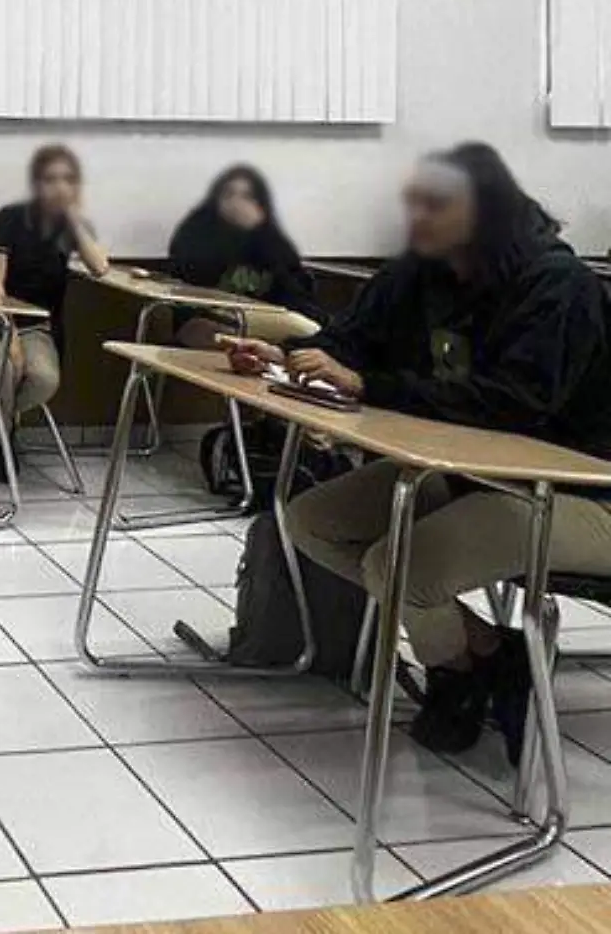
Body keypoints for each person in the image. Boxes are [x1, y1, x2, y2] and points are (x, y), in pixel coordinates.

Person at [223, 143, 611, 761]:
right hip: (475, 476)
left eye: (436, 205)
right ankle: (486, 653)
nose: (418, 219)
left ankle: (458, 676)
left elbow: (514, 405)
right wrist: (287, 360)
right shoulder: (421, 273)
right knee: (312, 522)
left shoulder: (558, 285)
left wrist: (369, 386)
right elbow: (350, 341)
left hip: (575, 491)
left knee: (403, 568)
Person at [0, 144, 111, 477]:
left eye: (68, 179)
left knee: (45, 380)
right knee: (6, 368)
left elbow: (100, 267)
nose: (59, 186)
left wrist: (75, 221)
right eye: (51, 179)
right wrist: (11, 337)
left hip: (38, 326)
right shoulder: (10, 217)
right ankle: (2, 443)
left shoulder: (70, 225)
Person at [167, 164, 326, 349]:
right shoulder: (195, 231)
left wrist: (258, 233)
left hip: (263, 323)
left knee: (312, 333)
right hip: (209, 319)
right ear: (216, 199)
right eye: (228, 195)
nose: (236, 203)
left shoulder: (272, 240)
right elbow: (191, 280)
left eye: (247, 196)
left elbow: (297, 296)